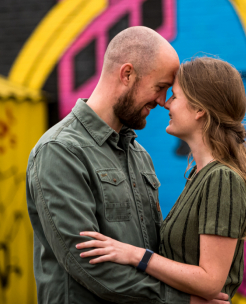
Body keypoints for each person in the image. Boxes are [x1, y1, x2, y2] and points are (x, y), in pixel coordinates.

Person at [26, 27, 229, 304]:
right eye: (159, 87)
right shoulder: (60, 151)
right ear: (127, 74)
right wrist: (183, 300)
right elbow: (88, 264)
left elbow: (154, 249)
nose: (162, 101)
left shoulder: (138, 154)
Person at [76, 56, 246, 301]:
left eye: (175, 96)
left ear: (200, 109)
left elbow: (210, 281)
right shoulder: (200, 175)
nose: (166, 104)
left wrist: (137, 256)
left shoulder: (222, 179)